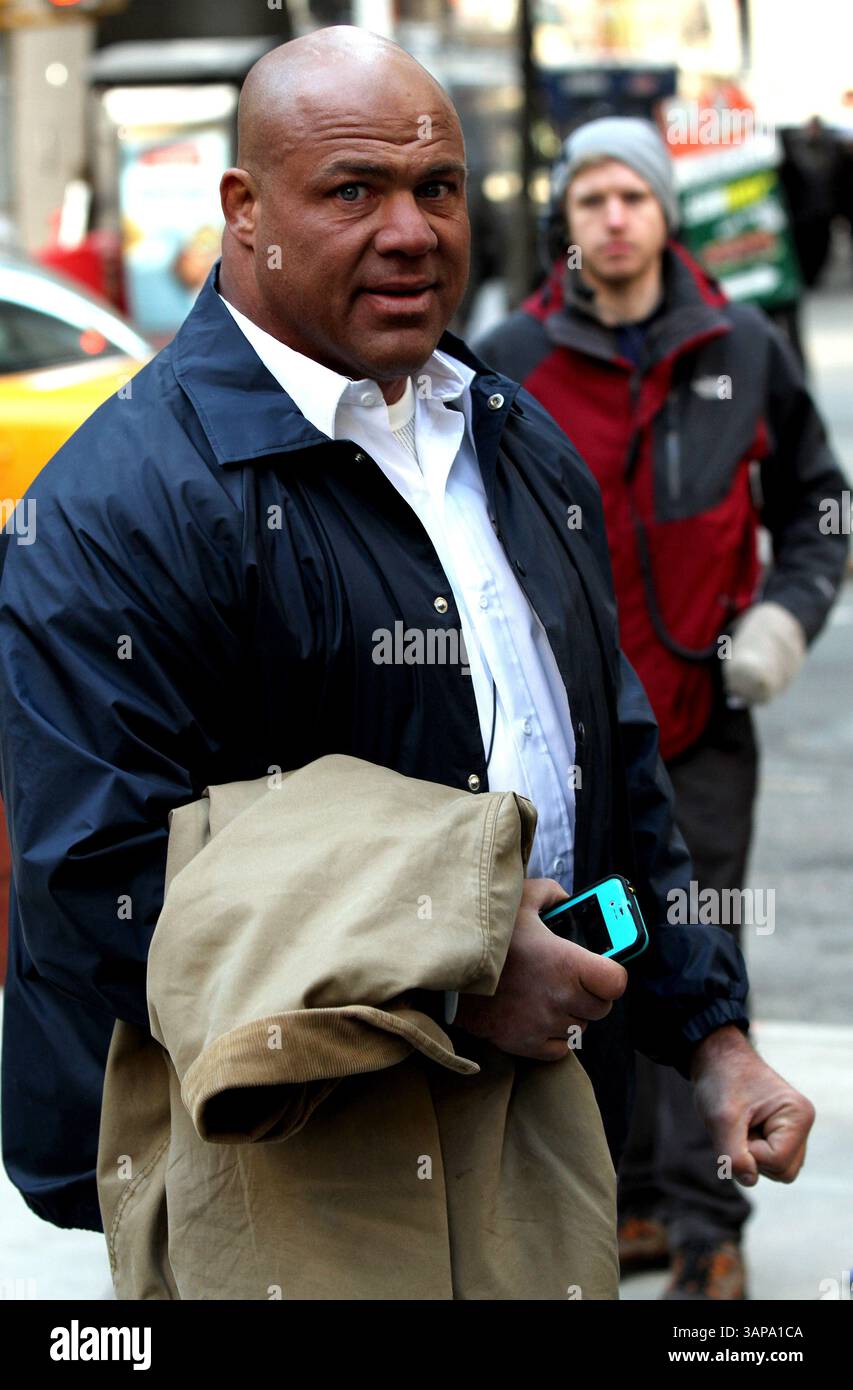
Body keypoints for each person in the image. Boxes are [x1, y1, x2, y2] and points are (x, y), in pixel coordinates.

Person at [0, 34, 815, 1296]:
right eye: (350, 191)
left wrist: (712, 1037)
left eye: (436, 188)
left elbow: (612, 767)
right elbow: (102, 892)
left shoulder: (509, 435)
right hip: (300, 1174)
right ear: (243, 211)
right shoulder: (120, 506)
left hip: (548, 1133)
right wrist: (457, 983)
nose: (410, 230)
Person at [474, 115, 847, 1299]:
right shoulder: (506, 360)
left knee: (694, 955)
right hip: (561, 733)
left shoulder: (740, 343)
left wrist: (782, 621)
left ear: (666, 213)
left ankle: (705, 1223)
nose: (613, 218)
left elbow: (818, 506)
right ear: (563, 226)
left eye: (632, 196)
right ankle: (624, 1200)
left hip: (698, 718)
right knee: (586, 953)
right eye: (589, 200)